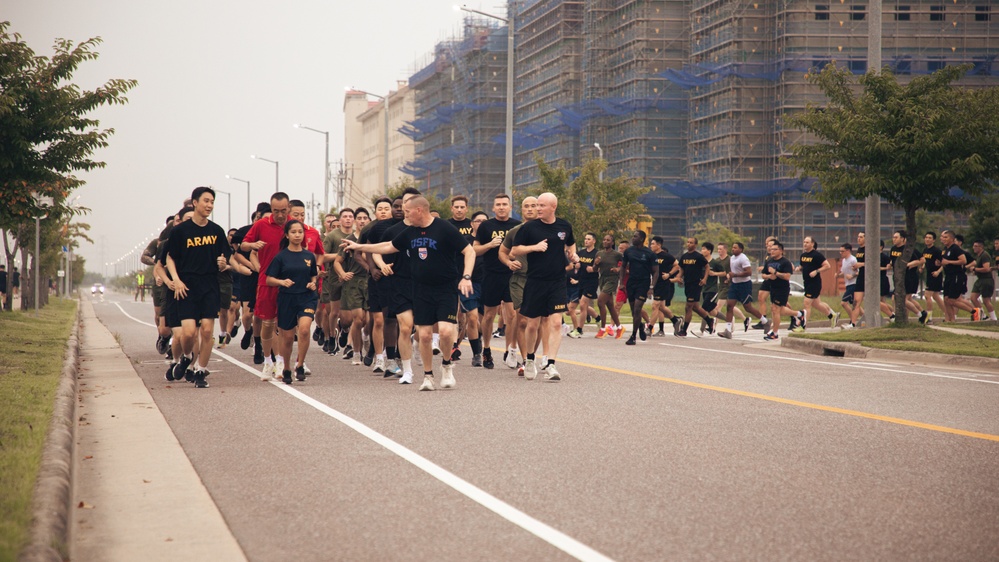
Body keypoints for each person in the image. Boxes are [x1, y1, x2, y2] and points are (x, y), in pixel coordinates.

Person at [343, 196, 475, 391]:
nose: (405, 215)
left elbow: (469, 252)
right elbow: (388, 246)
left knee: (446, 332)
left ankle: (447, 365)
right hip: (420, 289)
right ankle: (428, 376)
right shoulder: (409, 232)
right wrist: (359, 246)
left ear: (419, 210)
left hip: (445, 288)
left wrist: (466, 277)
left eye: (407, 211)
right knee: (424, 335)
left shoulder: (444, 228)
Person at [164, 187, 232, 388]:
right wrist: (176, 280)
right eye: (206, 201)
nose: (209, 205)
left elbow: (225, 257)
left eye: (212, 202)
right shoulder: (180, 231)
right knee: (189, 333)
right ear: (195, 203)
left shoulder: (216, 230)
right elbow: (169, 258)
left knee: (208, 331)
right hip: (186, 287)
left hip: (209, 285)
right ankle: (186, 357)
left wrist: (222, 263)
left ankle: (201, 371)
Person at [511, 192, 576, 381]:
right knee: (532, 324)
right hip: (535, 281)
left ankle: (551, 364)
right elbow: (515, 250)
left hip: (557, 282)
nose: (537, 209)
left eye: (541, 206)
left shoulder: (564, 226)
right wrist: (534, 247)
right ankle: (530, 359)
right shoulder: (529, 228)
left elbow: (571, 245)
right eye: (536, 205)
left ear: (553, 207)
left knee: (556, 323)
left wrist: (573, 255)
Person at [241, 193, 292, 378]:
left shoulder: (293, 226)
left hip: (288, 283)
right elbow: (244, 246)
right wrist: (254, 244)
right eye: (276, 211)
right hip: (266, 281)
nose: (280, 215)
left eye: (283, 211)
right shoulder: (261, 225)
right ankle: (267, 359)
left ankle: (281, 361)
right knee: (268, 323)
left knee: (284, 324)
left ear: (288, 209)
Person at [265, 220, 319, 384]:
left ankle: (300, 365)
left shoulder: (309, 255)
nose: (297, 235)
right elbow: (269, 279)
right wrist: (282, 282)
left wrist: (313, 283)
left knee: (303, 330)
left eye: (300, 232)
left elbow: (313, 274)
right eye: (294, 232)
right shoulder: (281, 257)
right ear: (287, 235)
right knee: (287, 337)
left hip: (306, 297)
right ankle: (286, 367)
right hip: (287, 298)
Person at [474, 194, 520, 369]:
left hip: (511, 274)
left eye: (504, 204)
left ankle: (510, 350)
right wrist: (490, 245)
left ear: (510, 207)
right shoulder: (486, 226)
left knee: (512, 315)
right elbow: (475, 249)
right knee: (489, 315)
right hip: (491, 275)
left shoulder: (517, 225)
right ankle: (486, 348)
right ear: (493, 208)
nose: (501, 207)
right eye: (498, 204)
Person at [499, 196, 540, 373]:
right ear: (521, 210)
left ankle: (532, 356)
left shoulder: (547, 231)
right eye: (526, 207)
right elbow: (502, 252)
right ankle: (525, 361)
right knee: (521, 319)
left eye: (533, 206)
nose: (530, 209)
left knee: (538, 322)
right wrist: (508, 262)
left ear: (539, 208)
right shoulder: (515, 231)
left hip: (541, 280)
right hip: (519, 280)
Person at [333, 207, 372, 365]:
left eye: (365, 218)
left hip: (370, 281)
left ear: (369, 220)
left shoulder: (372, 238)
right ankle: (356, 352)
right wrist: (342, 274)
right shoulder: (349, 240)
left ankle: (366, 337)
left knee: (369, 320)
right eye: (360, 218)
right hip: (354, 283)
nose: (362, 221)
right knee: (357, 319)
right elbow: (337, 262)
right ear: (356, 221)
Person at [320, 208, 355, 355]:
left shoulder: (357, 236)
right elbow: (323, 256)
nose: (347, 219)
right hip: (335, 278)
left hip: (353, 278)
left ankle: (346, 332)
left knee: (351, 314)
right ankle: (332, 338)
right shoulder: (333, 236)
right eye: (345, 216)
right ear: (340, 220)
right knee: (334, 312)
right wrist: (341, 253)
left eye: (350, 216)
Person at [789, 236, 838, 332]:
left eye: (807, 242)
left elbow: (827, 265)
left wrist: (816, 271)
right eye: (804, 242)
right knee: (817, 304)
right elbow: (804, 266)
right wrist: (799, 268)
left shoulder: (817, 255)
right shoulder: (803, 255)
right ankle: (832, 315)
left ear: (812, 244)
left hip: (814, 283)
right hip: (806, 282)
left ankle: (803, 326)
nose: (805, 244)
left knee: (806, 303)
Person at [719, 241, 766, 338]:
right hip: (734, 284)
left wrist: (735, 275)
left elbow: (749, 272)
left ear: (741, 249)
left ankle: (765, 321)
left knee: (748, 307)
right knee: (729, 306)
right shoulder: (732, 258)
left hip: (744, 285)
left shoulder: (743, 258)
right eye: (732, 247)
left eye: (735, 248)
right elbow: (733, 271)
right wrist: (730, 278)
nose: (733, 249)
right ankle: (728, 330)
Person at [620, 230, 657, 345]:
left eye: (635, 236)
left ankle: (633, 337)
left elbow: (656, 272)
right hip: (631, 283)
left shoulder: (649, 253)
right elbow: (623, 267)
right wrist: (621, 282)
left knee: (637, 309)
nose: (633, 238)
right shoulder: (628, 251)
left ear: (641, 239)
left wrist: (651, 287)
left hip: (643, 283)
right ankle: (640, 325)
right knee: (633, 311)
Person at [674, 237, 714, 337]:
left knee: (688, 307)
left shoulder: (699, 256)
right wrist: (679, 277)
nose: (689, 244)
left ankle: (684, 330)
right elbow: (681, 268)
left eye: (691, 243)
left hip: (696, 284)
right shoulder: (684, 256)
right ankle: (709, 320)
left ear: (695, 245)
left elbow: (707, 267)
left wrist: (704, 279)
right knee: (695, 307)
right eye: (688, 242)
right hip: (687, 283)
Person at [888, 230, 926, 323]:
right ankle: (921, 313)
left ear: (902, 239)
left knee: (900, 298)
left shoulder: (908, 249)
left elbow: (922, 260)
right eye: (893, 237)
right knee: (906, 299)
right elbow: (892, 261)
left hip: (909, 277)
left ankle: (919, 315)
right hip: (897, 276)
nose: (894, 239)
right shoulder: (893, 249)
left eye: (896, 237)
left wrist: (909, 264)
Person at [760, 241, 796, 341]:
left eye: (774, 249)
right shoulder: (769, 261)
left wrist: (775, 272)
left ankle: (774, 333)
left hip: (782, 288)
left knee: (776, 309)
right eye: (771, 249)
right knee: (778, 310)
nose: (772, 251)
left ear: (781, 251)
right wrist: (769, 276)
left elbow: (787, 276)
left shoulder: (785, 262)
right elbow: (763, 274)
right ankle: (800, 314)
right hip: (773, 288)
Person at [593, 234, 623, 338]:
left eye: (608, 240)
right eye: (604, 239)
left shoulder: (617, 254)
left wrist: (617, 269)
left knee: (600, 301)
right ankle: (619, 328)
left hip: (612, 279)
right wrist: (596, 264)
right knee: (610, 305)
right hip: (602, 279)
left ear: (612, 242)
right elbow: (595, 269)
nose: (605, 241)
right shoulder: (599, 253)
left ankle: (602, 329)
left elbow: (625, 265)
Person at [574, 233, 601, 338]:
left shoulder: (597, 253)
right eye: (585, 239)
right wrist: (576, 265)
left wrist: (593, 269)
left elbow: (598, 267)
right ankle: (597, 318)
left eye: (589, 239)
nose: (586, 241)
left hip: (591, 282)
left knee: (582, 304)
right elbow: (575, 265)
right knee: (584, 305)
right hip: (581, 281)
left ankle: (579, 329)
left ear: (594, 241)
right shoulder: (580, 253)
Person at [921, 232, 945, 323]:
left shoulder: (936, 251)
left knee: (927, 296)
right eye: (926, 237)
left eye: (930, 238)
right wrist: (922, 267)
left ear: (934, 240)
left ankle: (929, 318)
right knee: (935, 296)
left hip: (935, 275)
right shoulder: (925, 250)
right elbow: (925, 260)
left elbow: (944, 263)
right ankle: (947, 314)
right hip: (929, 275)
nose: (927, 239)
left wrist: (938, 271)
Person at [969, 239, 996, 321]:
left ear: (981, 247)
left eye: (976, 246)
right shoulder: (979, 256)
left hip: (986, 280)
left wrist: (975, 269)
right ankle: (983, 315)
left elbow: (987, 268)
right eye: (973, 246)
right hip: (980, 279)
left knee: (986, 300)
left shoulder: (985, 255)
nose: (974, 248)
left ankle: (994, 318)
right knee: (973, 298)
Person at [836, 243, 859, 329]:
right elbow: (844, 273)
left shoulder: (853, 260)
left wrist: (852, 276)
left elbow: (860, 271)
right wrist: (838, 275)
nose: (841, 253)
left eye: (842, 251)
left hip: (854, 283)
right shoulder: (844, 260)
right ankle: (865, 319)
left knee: (844, 303)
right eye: (840, 251)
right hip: (848, 284)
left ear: (848, 251)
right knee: (856, 305)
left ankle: (852, 321)